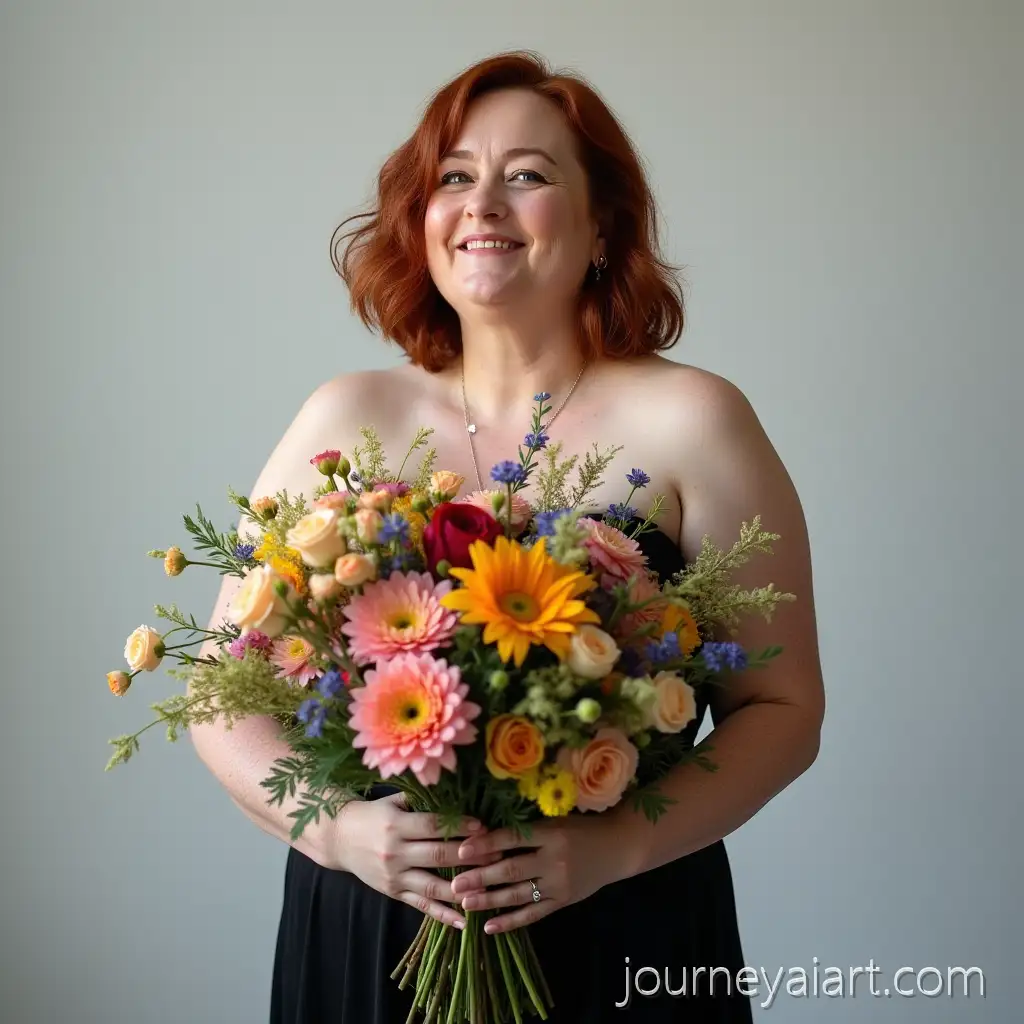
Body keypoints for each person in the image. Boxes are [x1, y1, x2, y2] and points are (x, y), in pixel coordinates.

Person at [190, 51, 825, 1022]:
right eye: (454, 177)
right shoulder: (343, 416)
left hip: (623, 924)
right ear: (422, 217)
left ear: (602, 222)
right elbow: (218, 690)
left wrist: (612, 850)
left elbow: (783, 707)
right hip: (373, 931)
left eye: (526, 174)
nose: (482, 203)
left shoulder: (696, 421)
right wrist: (341, 834)